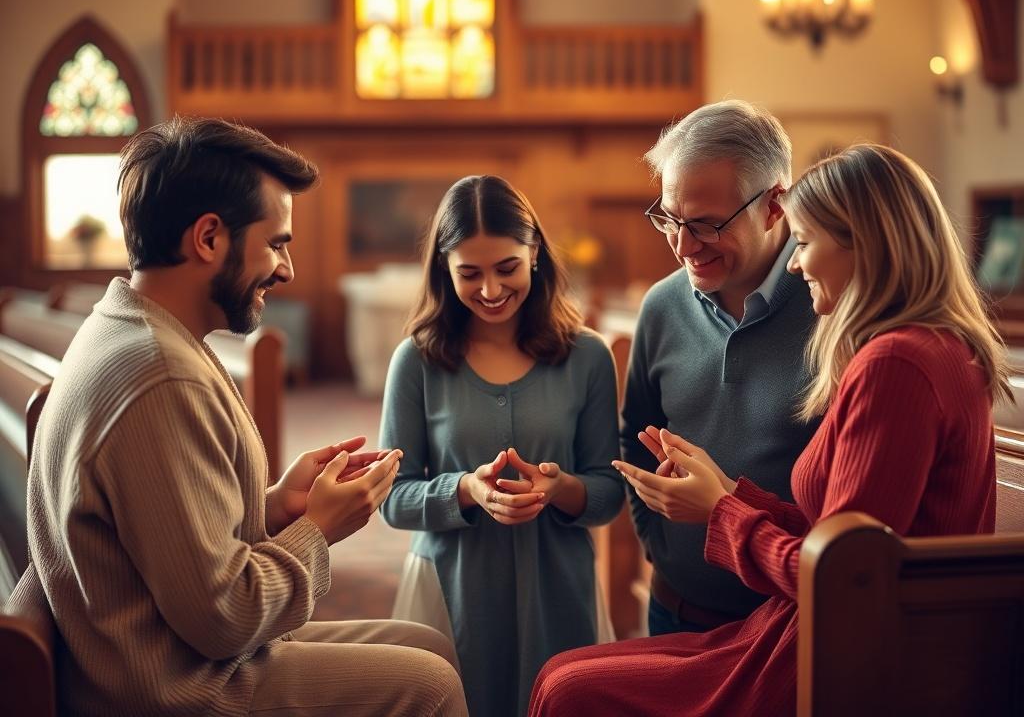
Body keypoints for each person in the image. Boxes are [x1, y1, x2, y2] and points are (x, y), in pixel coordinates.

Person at [528, 143, 1008, 716]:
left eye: (805, 243)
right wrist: (725, 494)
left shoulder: (895, 365)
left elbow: (842, 583)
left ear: (865, 245)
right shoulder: (931, 349)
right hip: (832, 634)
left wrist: (721, 512)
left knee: (567, 687)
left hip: (851, 660)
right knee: (567, 675)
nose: (797, 263)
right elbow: (840, 541)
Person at [28, 117, 468, 717]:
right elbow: (225, 617)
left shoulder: (134, 329)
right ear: (209, 238)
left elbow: (162, 536)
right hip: (174, 687)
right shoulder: (160, 374)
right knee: (432, 685)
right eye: (277, 243)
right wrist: (317, 531)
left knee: (427, 644)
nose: (286, 270)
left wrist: (275, 506)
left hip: (162, 650)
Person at [379, 175, 625, 717]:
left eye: (506, 268)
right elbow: (391, 498)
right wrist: (464, 489)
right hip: (451, 588)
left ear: (534, 252)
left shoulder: (587, 357)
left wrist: (562, 489)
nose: (490, 290)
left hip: (560, 586)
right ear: (445, 270)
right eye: (470, 273)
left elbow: (610, 494)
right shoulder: (417, 361)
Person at [622, 100, 819, 635]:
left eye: (707, 225)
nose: (684, 247)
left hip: (786, 623)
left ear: (775, 206)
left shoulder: (832, 303)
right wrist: (659, 548)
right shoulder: (662, 306)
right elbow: (633, 433)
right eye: (669, 218)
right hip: (673, 608)